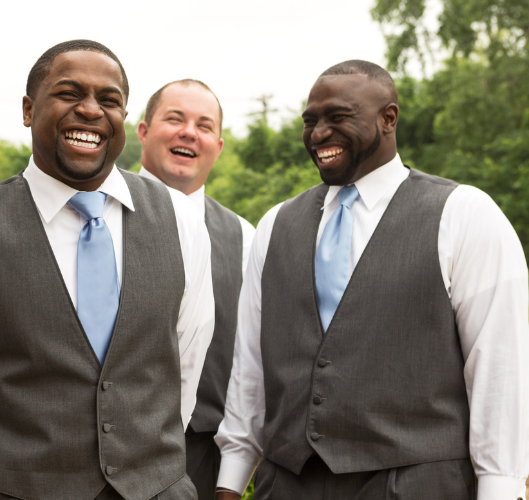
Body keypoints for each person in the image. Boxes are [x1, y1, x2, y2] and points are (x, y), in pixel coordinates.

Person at [0, 39, 215, 500]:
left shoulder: (181, 222)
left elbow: (186, 365)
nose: (91, 111)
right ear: (29, 110)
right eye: (70, 93)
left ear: (125, 120)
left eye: (109, 100)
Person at [214, 60, 529, 499]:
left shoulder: (464, 215)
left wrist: (500, 489)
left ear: (388, 119)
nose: (319, 133)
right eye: (310, 121)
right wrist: (231, 480)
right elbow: (250, 368)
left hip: (419, 485)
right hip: (287, 484)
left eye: (338, 117)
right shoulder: (274, 225)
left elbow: (499, 371)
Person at [136, 79, 255, 500]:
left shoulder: (246, 237)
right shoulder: (95, 214)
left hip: (204, 460)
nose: (190, 132)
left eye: (204, 125)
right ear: (144, 132)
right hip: (102, 456)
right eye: (175, 119)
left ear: (218, 147)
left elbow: (250, 361)